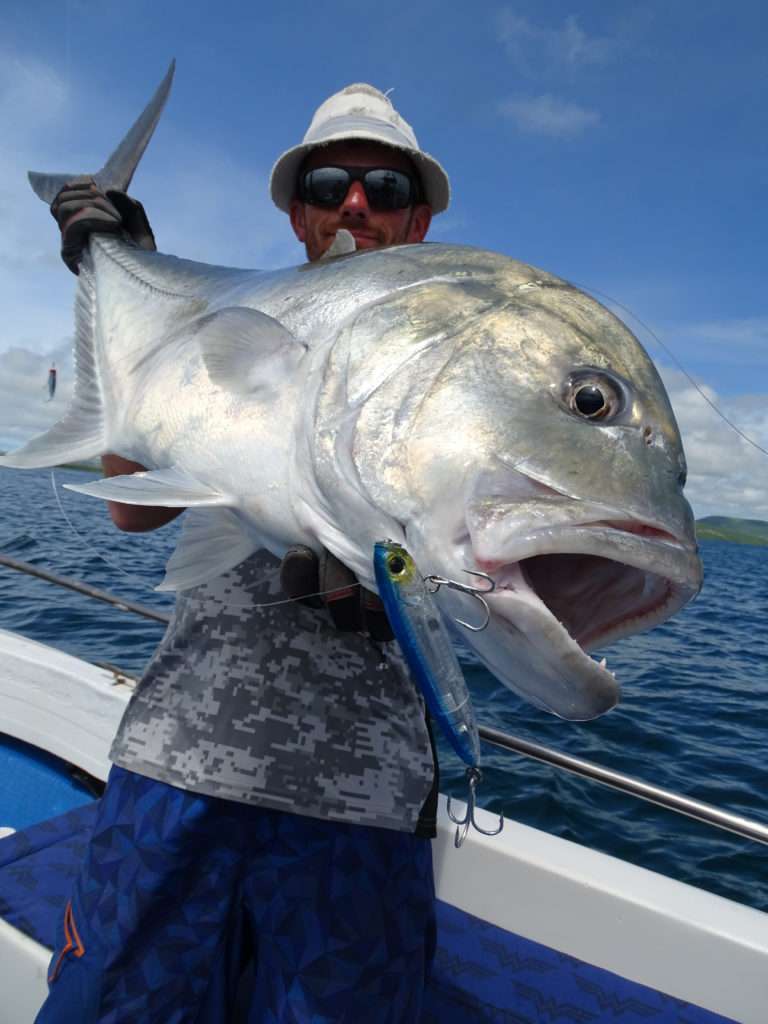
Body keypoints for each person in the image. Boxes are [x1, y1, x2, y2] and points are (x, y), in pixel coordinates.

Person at [36, 83, 451, 1024]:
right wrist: (110, 276)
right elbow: (131, 512)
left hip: (365, 797)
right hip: (179, 756)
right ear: (299, 210)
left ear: (417, 217)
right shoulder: (225, 334)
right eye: (330, 182)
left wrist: (400, 595)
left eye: (383, 186)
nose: (356, 204)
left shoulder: (450, 366)